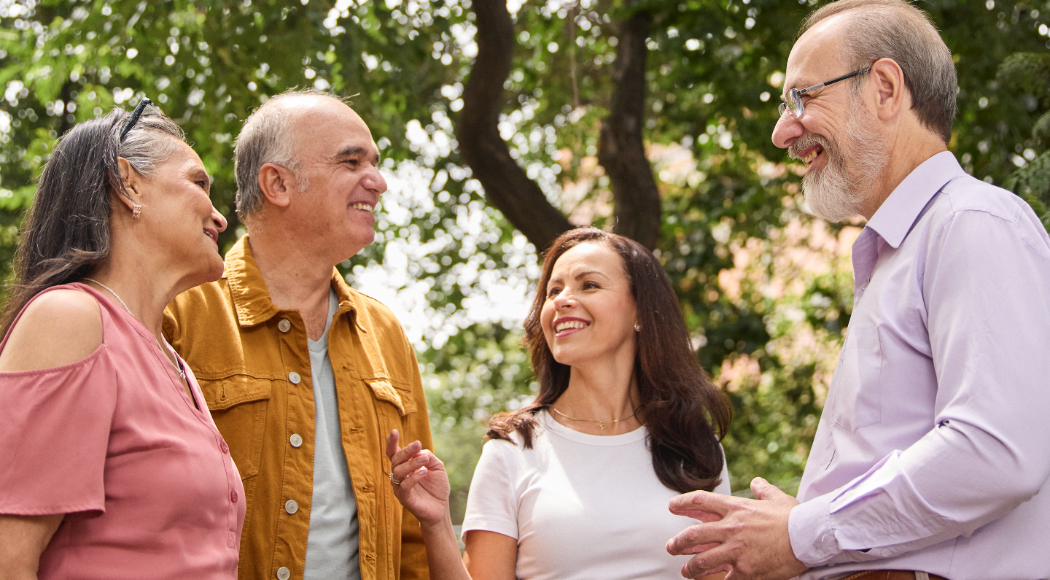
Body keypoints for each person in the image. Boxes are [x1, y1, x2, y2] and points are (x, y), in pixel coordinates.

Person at [665, 1, 1050, 579]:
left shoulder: (973, 222)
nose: (781, 132)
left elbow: (996, 453)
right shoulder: (902, 252)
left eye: (803, 97)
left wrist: (801, 533)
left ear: (886, 88)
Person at [163, 89, 432, 580]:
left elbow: (416, 531)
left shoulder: (387, 332)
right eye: (351, 162)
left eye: (375, 163)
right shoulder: (178, 313)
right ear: (278, 183)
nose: (379, 182)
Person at [387, 226, 733, 580]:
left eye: (589, 285)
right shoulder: (512, 449)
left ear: (641, 312)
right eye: (554, 290)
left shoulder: (694, 446)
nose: (562, 300)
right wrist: (436, 523)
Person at [0, 101, 242, 579]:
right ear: (127, 182)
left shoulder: (175, 363)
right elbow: (8, 558)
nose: (220, 217)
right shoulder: (69, 320)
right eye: (198, 183)